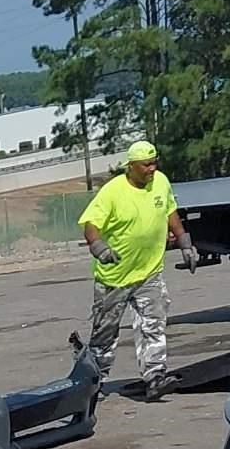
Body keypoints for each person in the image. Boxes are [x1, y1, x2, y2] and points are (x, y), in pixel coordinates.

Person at [78, 141, 193, 401]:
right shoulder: (113, 192)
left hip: (149, 272)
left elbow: (169, 211)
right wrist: (98, 247)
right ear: (131, 167)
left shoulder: (161, 182)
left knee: (153, 324)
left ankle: (155, 377)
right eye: (146, 164)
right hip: (115, 277)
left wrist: (184, 240)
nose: (152, 168)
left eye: (155, 162)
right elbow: (91, 223)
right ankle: (92, 382)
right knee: (105, 333)